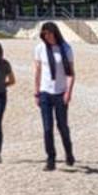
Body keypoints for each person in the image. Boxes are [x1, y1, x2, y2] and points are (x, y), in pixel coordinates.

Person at [33, 21, 76, 169]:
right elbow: (38, 71)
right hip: (45, 92)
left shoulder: (66, 49)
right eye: (44, 34)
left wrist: (68, 92)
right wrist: (36, 92)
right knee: (47, 127)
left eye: (49, 34)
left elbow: (71, 74)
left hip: (60, 92)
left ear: (55, 33)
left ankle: (69, 153)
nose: (47, 37)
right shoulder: (40, 49)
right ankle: (51, 159)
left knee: (62, 126)